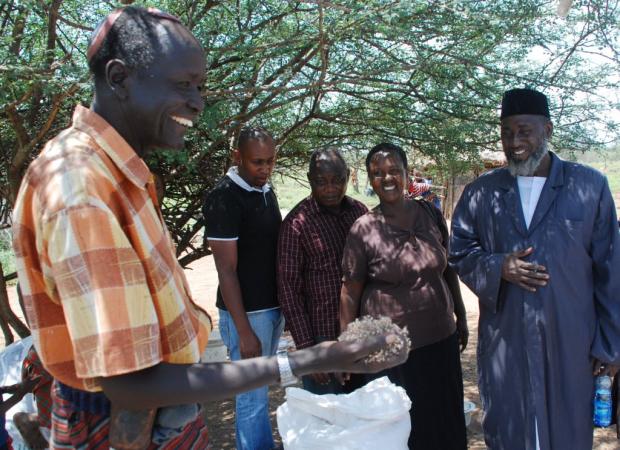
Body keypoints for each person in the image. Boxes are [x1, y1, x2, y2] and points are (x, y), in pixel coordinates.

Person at [11, 7, 408, 449]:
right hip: (119, 424)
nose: (198, 102)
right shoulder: (81, 187)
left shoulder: (120, 176)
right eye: (183, 85)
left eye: (200, 87)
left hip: (161, 413)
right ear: (119, 78)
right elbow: (132, 385)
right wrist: (309, 358)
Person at [449, 88, 620, 450]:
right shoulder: (482, 192)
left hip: (570, 340)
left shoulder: (588, 186)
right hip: (506, 339)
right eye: (506, 132)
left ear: (548, 129)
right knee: (511, 428)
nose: (514, 142)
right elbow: (460, 252)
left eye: (524, 131)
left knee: (568, 430)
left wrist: (610, 346)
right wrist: (498, 266)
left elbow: (611, 271)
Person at [340, 142, 468, 450]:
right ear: (369, 180)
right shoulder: (364, 229)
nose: (386, 178)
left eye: (394, 171)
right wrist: (346, 347)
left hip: (439, 340)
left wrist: (461, 316)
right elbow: (350, 291)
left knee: (443, 422)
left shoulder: (430, 214)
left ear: (407, 174)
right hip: (391, 349)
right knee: (401, 429)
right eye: (377, 173)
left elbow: (448, 268)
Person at [202, 126, 284, 450]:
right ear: (237, 157)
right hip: (248, 316)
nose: (264, 169)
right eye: (256, 162)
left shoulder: (263, 189)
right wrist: (244, 330)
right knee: (251, 398)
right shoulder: (225, 197)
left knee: (260, 391)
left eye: (270, 162)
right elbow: (226, 269)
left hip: (271, 309)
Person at [278, 148, 368, 394]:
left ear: (348, 176)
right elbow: (289, 290)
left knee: (366, 413)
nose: (330, 188)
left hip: (362, 333)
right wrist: (308, 350)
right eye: (321, 182)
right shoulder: (297, 224)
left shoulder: (360, 213)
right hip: (321, 340)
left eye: (337, 180)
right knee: (327, 416)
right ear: (309, 180)